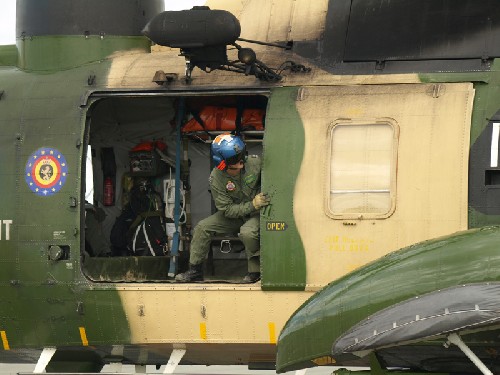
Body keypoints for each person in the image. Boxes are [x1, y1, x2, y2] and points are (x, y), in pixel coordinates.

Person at [175, 133, 270, 283]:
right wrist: (252, 204)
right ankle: (195, 271)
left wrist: (257, 205)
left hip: (257, 213)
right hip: (236, 213)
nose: (241, 163)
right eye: (234, 161)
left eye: (241, 156)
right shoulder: (216, 178)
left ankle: (255, 271)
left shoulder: (255, 163)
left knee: (247, 232)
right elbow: (227, 210)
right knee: (202, 227)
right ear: (221, 163)